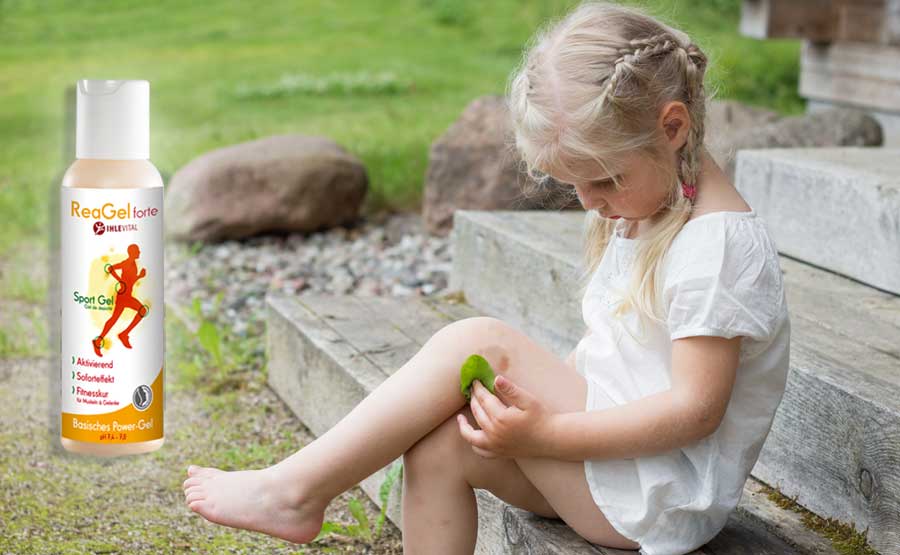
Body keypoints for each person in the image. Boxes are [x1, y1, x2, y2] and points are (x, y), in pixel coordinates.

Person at [182, 2, 791, 554]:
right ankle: (298, 492)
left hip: (655, 494)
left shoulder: (718, 245)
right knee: (441, 445)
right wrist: (546, 417)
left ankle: (296, 491)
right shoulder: (652, 206)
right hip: (610, 465)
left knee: (480, 341)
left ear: (674, 128)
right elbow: (625, 358)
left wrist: (551, 433)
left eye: (604, 179)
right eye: (573, 184)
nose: (589, 203)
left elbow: (694, 412)